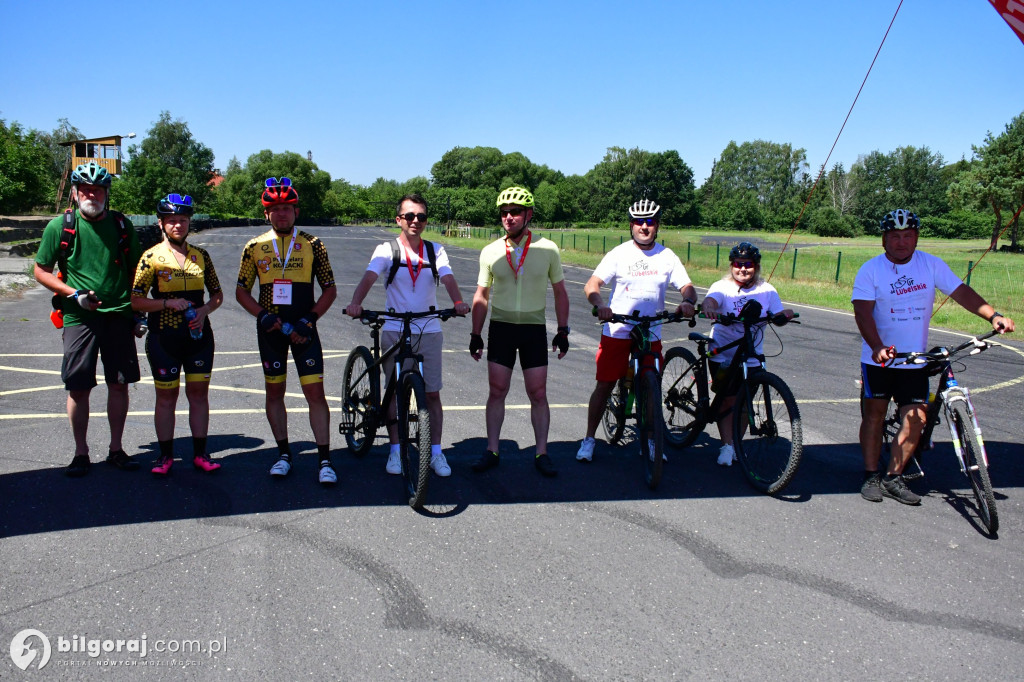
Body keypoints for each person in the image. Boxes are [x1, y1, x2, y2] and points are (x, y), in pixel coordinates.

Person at [852, 209, 1014, 505]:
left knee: (917, 419)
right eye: (895, 236)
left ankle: (892, 478)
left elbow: (961, 292)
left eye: (908, 236)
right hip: (880, 359)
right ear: (884, 240)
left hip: (915, 360)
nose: (902, 242)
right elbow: (862, 312)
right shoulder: (871, 270)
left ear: (916, 238)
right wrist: (876, 346)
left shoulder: (930, 265)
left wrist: (993, 315)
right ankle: (870, 475)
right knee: (873, 416)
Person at [345, 193, 471, 477]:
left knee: (432, 394)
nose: (416, 221)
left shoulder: (435, 250)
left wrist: (459, 302)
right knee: (393, 392)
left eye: (422, 217)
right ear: (399, 220)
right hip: (394, 326)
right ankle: (394, 449)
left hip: (428, 327)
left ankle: (436, 452)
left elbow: (448, 277)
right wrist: (356, 303)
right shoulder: (386, 249)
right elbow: (369, 277)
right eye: (410, 216)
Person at [33, 161, 143, 477]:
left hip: (119, 315)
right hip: (78, 317)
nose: (91, 194)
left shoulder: (123, 226)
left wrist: (138, 313)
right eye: (85, 189)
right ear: (75, 192)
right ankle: (81, 452)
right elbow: (40, 270)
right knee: (79, 387)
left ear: (107, 192)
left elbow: (137, 270)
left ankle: (116, 449)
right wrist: (72, 293)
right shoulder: (61, 227)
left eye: (97, 189)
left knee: (119, 385)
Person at [577, 199, 697, 462]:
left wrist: (688, 301)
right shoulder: (619, 254)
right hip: (618, 327)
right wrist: (599, 305)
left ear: (657, 225)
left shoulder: (667, 257)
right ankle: (588, 439)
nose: (645, 226)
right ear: (631, 225)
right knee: (605, 384)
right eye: (639, 222)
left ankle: (651, 441)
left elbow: (687, 287)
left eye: (650, 222)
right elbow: (592, 284)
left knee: (650, 385)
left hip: (651, 329)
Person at [236, 177, 338, 484]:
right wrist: (263, 316)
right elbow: (241, 291)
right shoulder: (254, 247)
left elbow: (330, 289)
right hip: (271, 330)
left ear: (296, 211)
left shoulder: (313, 244)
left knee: (315, 394)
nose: (282, 214)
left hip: (305, 328)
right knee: (274, 393)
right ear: (266, 214)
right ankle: (283, 454)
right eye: (275, 209)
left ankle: (325, 460)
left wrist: (310, 320)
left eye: (287, 208)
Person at [469, 186, 570, 477]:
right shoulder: (490, 251)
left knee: (538, 393)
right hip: (500, 328)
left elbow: (561, 293)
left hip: (533, 329)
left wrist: (563, 330)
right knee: (497, 391)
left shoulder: (548, 249)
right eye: (504, 213)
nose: (508, 217)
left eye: (515, 212)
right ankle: (492, 449)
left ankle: (541, 452)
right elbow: (481, 295)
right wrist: (476, 333)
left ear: (529, 215)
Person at [131, 193, 224, 475]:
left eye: (182, 220)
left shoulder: (201, 256)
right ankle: (165, 456)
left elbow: (217, 294)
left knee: (198, 395)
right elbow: (135, 300)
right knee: (166, 398)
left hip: (198, 338)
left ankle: (200, 454)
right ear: (161, 224)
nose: (178, 226)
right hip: (164, 337)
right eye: (171, 221)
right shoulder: (151, 257)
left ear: (189, 223)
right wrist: (166, 303)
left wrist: (205, 310)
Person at [701, 242, 795, 467]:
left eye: (748, 265)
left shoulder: (767, 290)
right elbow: (710, 300)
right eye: (738, 264)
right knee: (729, 399)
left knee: (744, 403)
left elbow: (777, 313)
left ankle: (733, 444)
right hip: (724, 353)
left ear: (756, 266)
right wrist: (710, 307)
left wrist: (786, 315)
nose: (743, 269)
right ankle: (725, 446)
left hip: (752, 353)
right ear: (732, 266)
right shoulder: (721, 286)